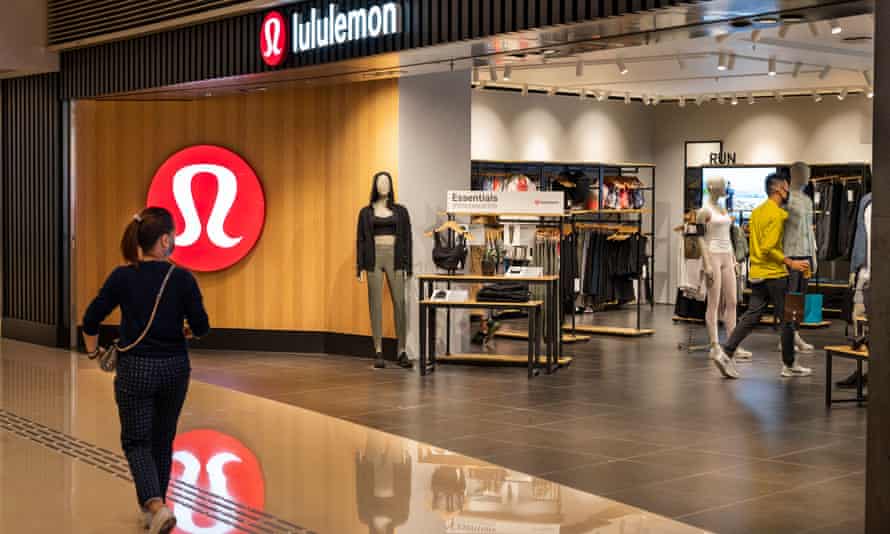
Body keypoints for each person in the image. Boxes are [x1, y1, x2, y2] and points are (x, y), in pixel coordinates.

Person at [82, 207, 210, 534]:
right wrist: (185, 330)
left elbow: (92, 317)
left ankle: (154, 505)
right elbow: (202, 326)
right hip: (174, 370)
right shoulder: (182, 278)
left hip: (136, 369)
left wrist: (93, 350)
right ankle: (156, 510)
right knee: (162, 440)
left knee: (137, 442)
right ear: (165, 240)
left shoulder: (123, 276)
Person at [712, 174, 812, 379]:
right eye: (786, 188)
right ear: (778, 190)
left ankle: (726, 353)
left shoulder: (757, 212)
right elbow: (768, 247)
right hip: (775, 274)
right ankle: (789, 364)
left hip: (757, 273)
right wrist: (790, 262)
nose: (788, 193)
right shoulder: (776, 215)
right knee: (788, 319)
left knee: (752, 315)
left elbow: (755, 239)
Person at [782, 162, 817, 353]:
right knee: (790, 297)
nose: (807, 178)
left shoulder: (808, 201)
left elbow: (809, 231)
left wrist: (813, 255)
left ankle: (795, 334)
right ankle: (786, 338)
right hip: (791, 255)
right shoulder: (785, 200)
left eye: (808, 174)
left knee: (800, 298)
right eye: (803, 174)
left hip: (805, 254)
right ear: (794, 175)